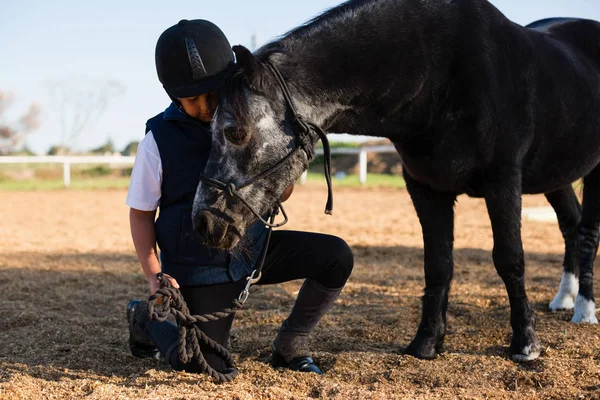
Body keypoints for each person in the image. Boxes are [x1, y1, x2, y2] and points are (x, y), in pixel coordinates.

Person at [126, 19, 354, 375]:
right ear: (173, 96)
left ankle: (291, 343)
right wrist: (155, 275)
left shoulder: (257, 126)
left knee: (336, 256)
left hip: (254, 250)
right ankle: (145, 318)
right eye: (191, 99)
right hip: (198, 267)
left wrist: (282, 179)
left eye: (213, 95)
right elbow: (141, 214)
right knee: (203, 365)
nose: (204, 107)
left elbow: (280, 192)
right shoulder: (158, 140)